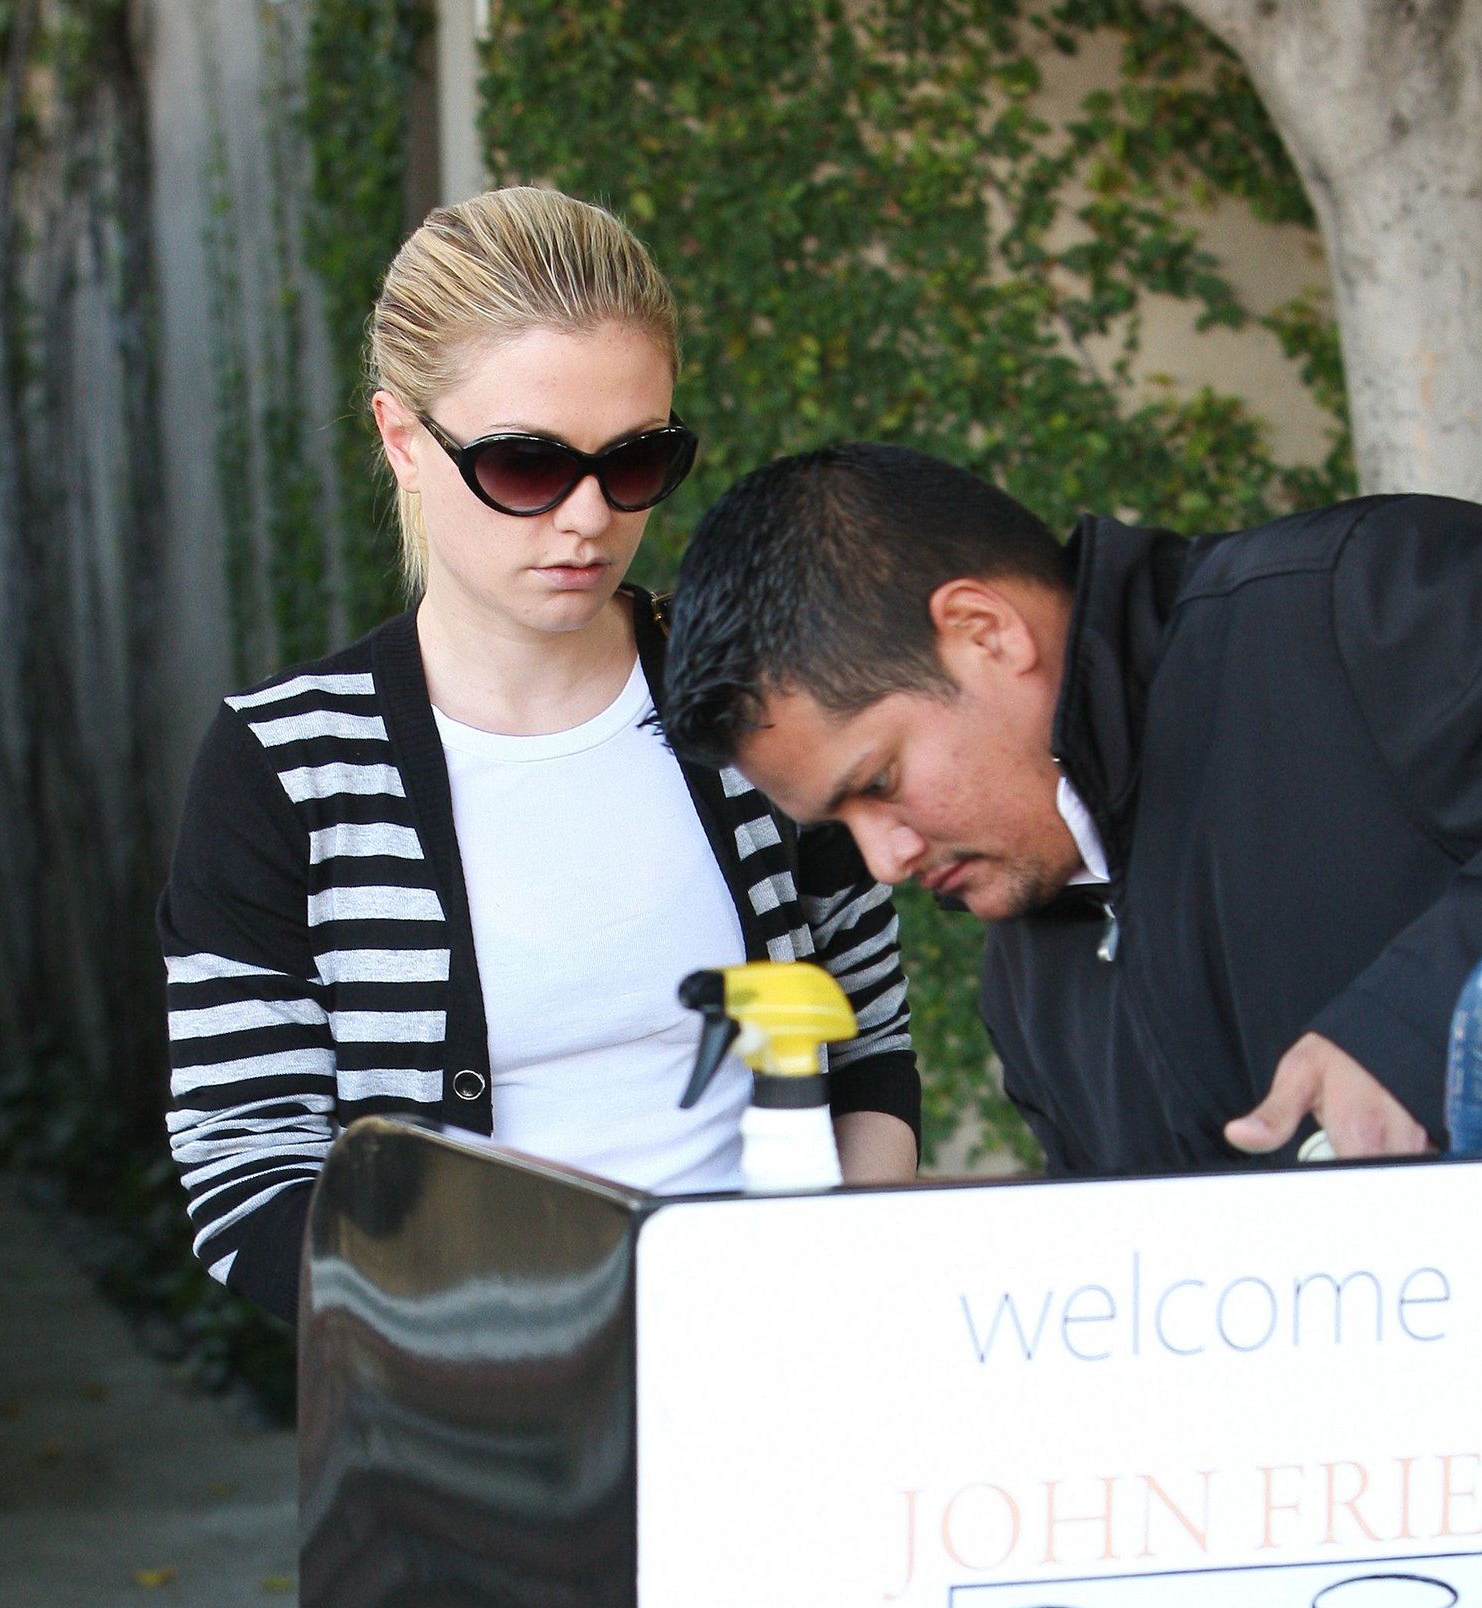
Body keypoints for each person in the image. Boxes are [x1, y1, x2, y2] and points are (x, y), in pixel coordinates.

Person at [159, 196, 918, 1321]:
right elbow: (248, 1176)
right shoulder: (290, 767)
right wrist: (504, 1354)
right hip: (457, 1434)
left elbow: (868, 1051)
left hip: (773, 1379)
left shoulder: (759, 704)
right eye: (525, 466)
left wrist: (817, 1303)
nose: (587, 519)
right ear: (401, 438)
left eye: (635, 460)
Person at [657, 441, 1482, 1175]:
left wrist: (1416, 1027)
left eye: (879, 781)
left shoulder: (1361, 603)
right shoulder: (1026, 992)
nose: (885, 861)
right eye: (838, 826)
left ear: (983, 631)